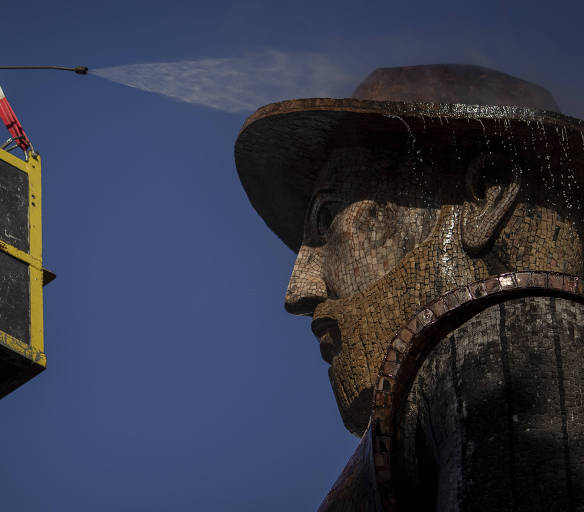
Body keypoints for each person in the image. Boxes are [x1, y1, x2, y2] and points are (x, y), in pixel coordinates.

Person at [235, 64, 584, 511]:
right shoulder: (409, 426)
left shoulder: (520, 337)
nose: (297, 291)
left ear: (487, 197)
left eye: (328, 219)